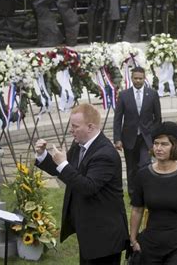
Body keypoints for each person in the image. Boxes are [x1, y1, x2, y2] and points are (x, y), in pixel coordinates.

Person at [34, 104, 128, 264]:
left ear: (90, 127)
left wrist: (63, 164)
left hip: (105, 236)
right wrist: (43, 155)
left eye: (75, 126)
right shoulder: (78, 146)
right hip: (89, 231)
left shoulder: (105, 154)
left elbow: (87, 187)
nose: (71, 130)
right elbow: (66, 173)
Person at [129, 121, 177, 264]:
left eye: (164, 144)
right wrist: (133, 239)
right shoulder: (143, 175)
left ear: (174, 146)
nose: (159, 148)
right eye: (156, 143)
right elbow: (137, 209)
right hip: (151, 243)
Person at [113, 66, 162, 196]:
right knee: (131, 167)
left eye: (140, 78)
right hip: (129, 138)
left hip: (147, 138)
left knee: (145, 164)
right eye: (136, 78)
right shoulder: (124, 95)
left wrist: (154, 135)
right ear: (131, 78)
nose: (138, 81)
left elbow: (158, 118)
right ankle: (133, 193)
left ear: (144, 78)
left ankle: (147, 191)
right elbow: (118, 119)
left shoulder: (152, 94)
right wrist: (117, 139)